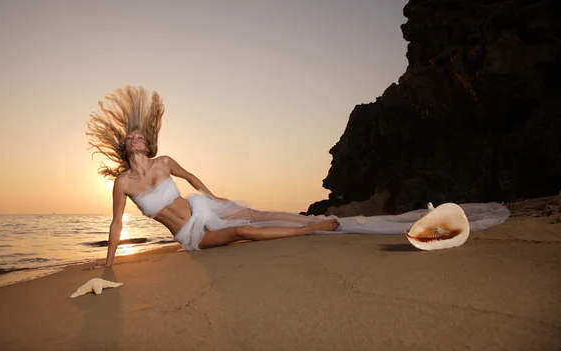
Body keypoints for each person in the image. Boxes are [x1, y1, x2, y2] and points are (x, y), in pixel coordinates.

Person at [83, 85, 510, 269]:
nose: (136, 136)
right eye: (130, 134)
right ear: (124, 145)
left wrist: (213, 197)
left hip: (203, 207)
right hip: (190, 234)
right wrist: (108, 264)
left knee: (255, 213)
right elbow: (117, 223)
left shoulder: (164, 162)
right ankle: (315, 228)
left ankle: (312, 223)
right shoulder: (123, 184)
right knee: (245, 232)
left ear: (148, 140)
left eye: (140, 131)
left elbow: (192, 177)